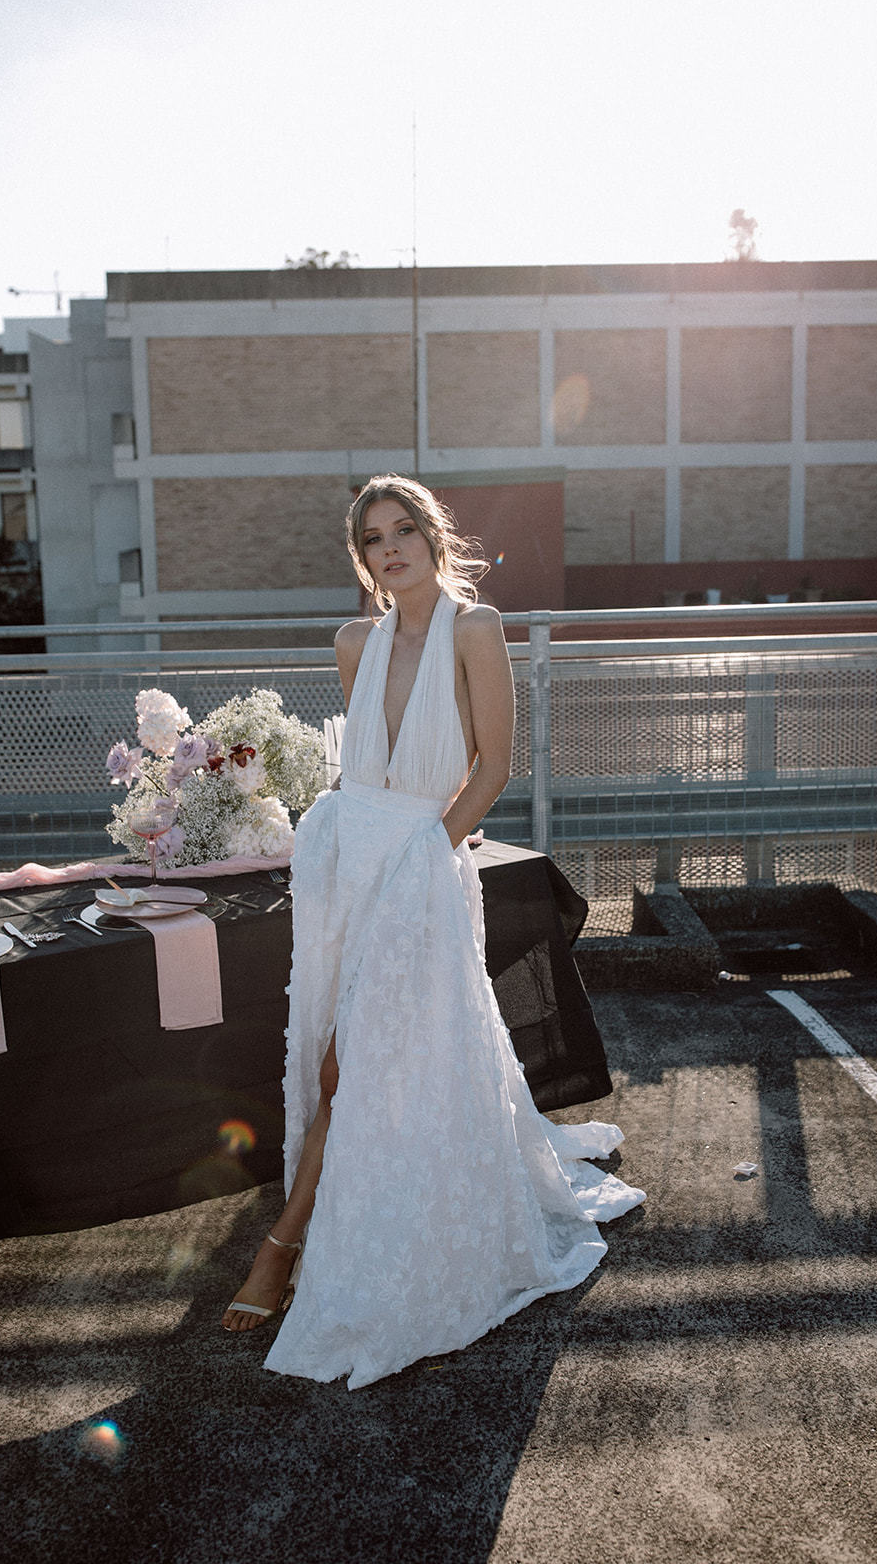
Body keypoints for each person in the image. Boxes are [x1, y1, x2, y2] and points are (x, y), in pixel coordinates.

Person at [221, 474, 643, 1388]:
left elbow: (493, 766)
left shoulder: (476, 630)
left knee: (353, 1058)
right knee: (346, 1050)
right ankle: (347, 1213)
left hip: (421, 866)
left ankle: (282, 1245)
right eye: (373, 538)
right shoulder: (352, 643)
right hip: (349, 864)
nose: (390, 549)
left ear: (432, 537)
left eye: (403, 529)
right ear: (362, 558)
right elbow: (361, 778)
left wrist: (428, 854)